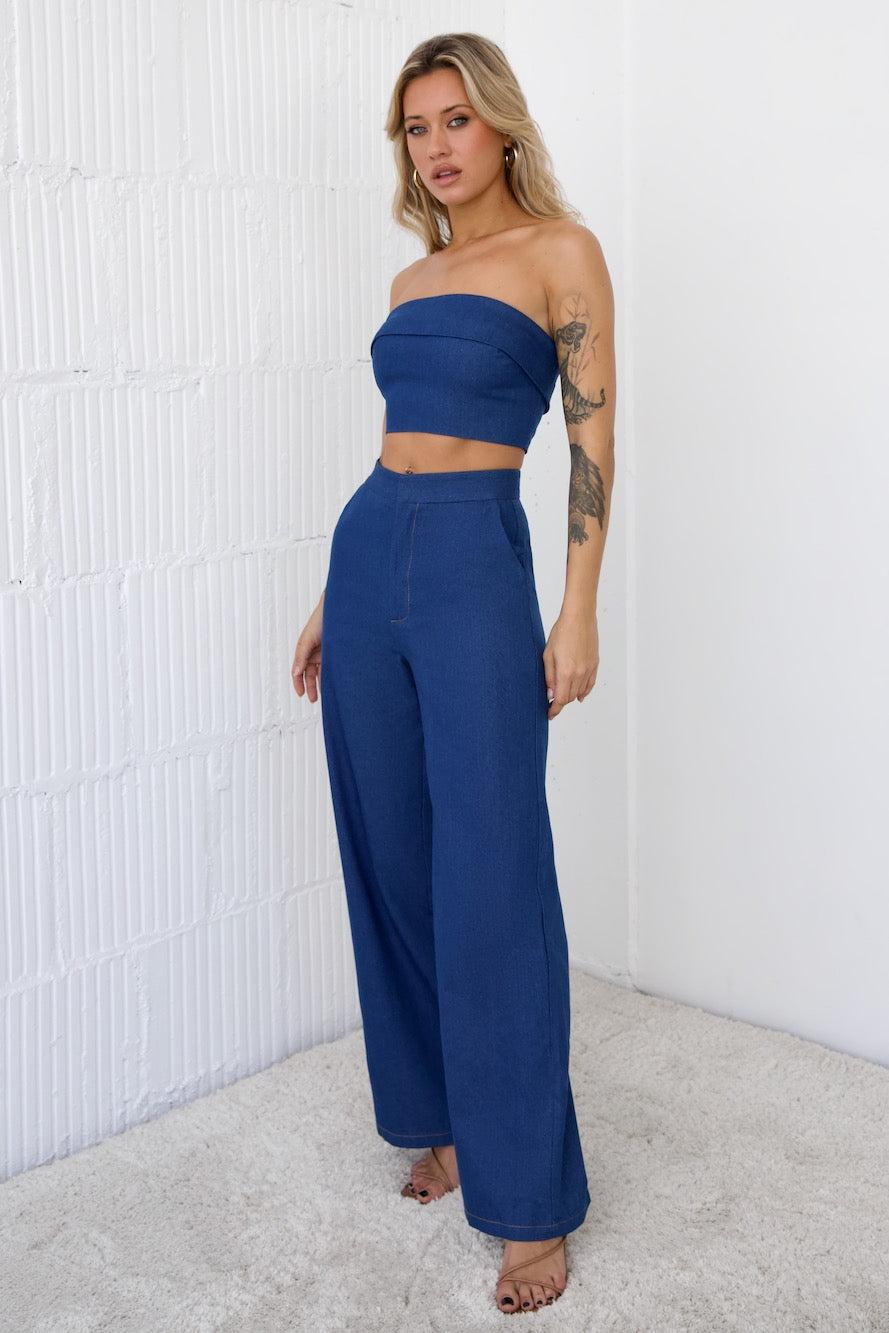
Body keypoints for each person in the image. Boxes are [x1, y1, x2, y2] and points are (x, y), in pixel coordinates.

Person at [292, 31, 615, 1316]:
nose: (435, 146)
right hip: (372, 550)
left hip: (481, 558)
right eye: (416, 127)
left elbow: (592, 437)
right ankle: (444, 1122)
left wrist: (577, 608)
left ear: (502, 126)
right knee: (392, 851)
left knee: (494, 868)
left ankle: (530, 1204)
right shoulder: (409, 280)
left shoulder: (560, 253)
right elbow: (394, 448)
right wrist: (335, 596)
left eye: (455, 120)